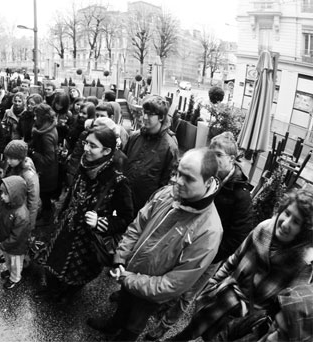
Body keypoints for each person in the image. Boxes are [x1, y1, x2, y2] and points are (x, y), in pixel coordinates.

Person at [87, 148, 223, 342]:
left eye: (189, 178)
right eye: (178, 173)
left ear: (208, 182)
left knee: (135, 323)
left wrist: (128, 278)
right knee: (123, 305)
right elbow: (138, 224)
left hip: (149, 293)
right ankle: (113, 325)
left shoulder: (209, 232)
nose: (178, 181)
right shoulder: (168, 193)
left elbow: (173, 284)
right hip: (128, 270)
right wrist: (120, 259)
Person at [147, 131, 254, 340]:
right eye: (211, 153)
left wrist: (210, 254)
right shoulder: (209, 176)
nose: (213, 158)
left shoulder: (240, 194)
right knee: (172, 277)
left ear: (231, 159)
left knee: (188, 293)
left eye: (219, 155)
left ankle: (164, 326)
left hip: (210, 254)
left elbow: (238, 234)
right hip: (187, 240)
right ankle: (159, 307)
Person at [170, 189, 313, 342]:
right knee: (187, 333)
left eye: (296, 222)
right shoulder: (264, 228)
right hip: (222, 298)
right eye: (287, 213)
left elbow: (287, 310)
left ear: (304, 230)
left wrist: (255, 321)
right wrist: (212, 284)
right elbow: (235, 259)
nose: (285, 223)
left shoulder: (304, 262)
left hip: (244, 322)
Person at [37, 126, 134, 304]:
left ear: (106, 151)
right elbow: (73, 192)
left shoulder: (118, 181)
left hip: (87, 241)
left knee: (76, 274)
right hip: (67, 227)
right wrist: (62, 211)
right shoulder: (84, 165)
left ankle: (67, 295)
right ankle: (52, 291)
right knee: (53, 261)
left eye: (93, 146)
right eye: (86, 143)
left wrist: (101, 222)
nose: (86, 149)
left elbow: (126, 218)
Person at [124, 95, 179, 216]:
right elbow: (124, 163)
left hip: (147, 207)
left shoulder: (170, 147)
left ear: (161, 117)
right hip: (125, 200)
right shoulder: (134, 137)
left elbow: (168, 184)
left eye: (150, 114)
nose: (144, 117)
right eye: (144, 113)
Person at [0, 175, 30, 290]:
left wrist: (1, 245)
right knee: (8, 261)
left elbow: (16, 237)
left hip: (16, 248)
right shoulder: (5, 204)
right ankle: (10, 272)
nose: (2, 196)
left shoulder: (21, 215)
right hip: (5, 243)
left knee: (15, 264)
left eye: (5, 194)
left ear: (14, 195)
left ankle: (14, 278)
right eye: (2, 193)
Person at [29, 104, 58, 225]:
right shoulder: (47, 128)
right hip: (47, 171)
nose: (35, 119)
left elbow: (48, 159)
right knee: (44, 195)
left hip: (46, 173)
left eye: (37, 116)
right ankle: (47, 211)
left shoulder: (47, 135)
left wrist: (33, 152)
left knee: (44, 195)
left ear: (43, 117)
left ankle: (47, 217)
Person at [3, 140, 40, 230]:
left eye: (11, 159)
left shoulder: (29, 177)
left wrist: (29, 226)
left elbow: (33, 202)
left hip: (21, 213)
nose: (8, 161)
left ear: (20, 159)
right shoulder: (13, 166)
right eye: (7, 158)